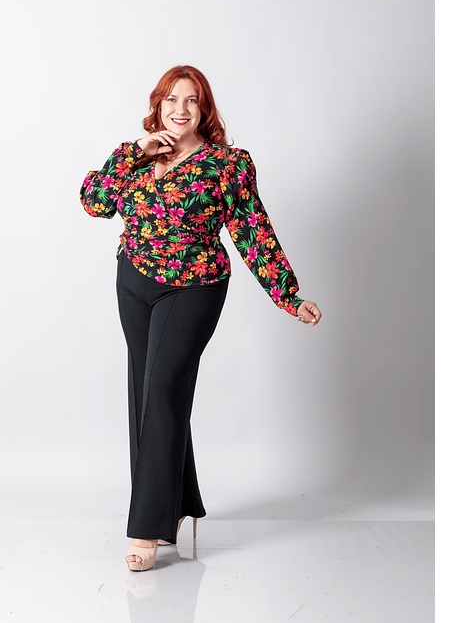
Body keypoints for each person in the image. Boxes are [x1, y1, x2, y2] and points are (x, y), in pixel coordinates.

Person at [79, 65, 321, 572]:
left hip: (193, 286)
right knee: (147, 393)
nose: (180, 109)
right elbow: (93, 202)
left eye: (191, 100)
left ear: (204, 108)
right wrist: (135, 152)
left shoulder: (227, 164)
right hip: (133, 281)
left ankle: (146, 529)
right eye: (171, 99)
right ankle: (177, 505)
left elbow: (253, 230)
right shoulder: (136, 157)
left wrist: (288, 294)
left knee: (163, 388)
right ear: (158, 105)